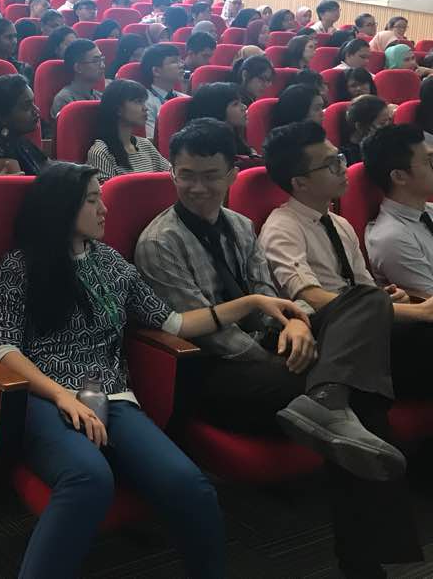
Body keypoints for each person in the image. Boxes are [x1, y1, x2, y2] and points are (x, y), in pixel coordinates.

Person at [138, 118, 419, 577]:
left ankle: (328, 398)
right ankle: (364, 560)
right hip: (219, 374)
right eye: (185, 174)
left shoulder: (239, 225)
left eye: (210, 175)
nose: (197, 187)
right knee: (358, 390)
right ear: (172, 172)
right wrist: (280, 355)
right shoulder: (160, 241)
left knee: (365, 300)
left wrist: (297, 326)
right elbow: (206, 333)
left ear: (232, 174)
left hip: (271, 350)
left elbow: (268, 294)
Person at [0, 161, 225, 577]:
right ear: (62, 207)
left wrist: (253, 304)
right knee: (89, 478)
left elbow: (173, 323)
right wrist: (61, 396)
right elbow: (5, 349)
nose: (104, 209)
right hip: (42, 396)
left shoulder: (111, 262)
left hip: (111, 396)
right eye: (91, 200)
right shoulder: (20, 265)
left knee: (189, 485)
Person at [365, 124, 433, 303]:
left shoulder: (427, 210)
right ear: (399, 177)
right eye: (429, 161)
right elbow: (429, 305)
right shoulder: (392, 238)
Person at [87, 80, 170, 182]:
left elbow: (172, 176)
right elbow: (105, 192)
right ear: (118, 109)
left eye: (144, 102)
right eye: (138, 102)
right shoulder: (101, 152)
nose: (145, 108)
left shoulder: (145, 144)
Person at [188, 82, 259, 167]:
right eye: (235, 104)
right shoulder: (208, 150)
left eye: (241, 102)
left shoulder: (236, 137)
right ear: (218, 110)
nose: (244, 107)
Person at [140, 44, 186, 138]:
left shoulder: (185, 99)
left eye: (180, 60)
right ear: (156, 71)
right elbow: (152, 139)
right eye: (174, 61)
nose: (182, 65)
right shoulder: (145, 102)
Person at [50, 40, 105, 118]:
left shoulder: (101, 97)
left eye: (102, 59)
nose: (102, 65)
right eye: (96, 61)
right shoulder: (64, 100)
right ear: (78, 68)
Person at [338, 95, 390, 164]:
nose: (388, 126)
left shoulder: (390, 140)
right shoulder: (349, 155)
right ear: (360, 126)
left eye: (389, 120)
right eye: (382, 123)